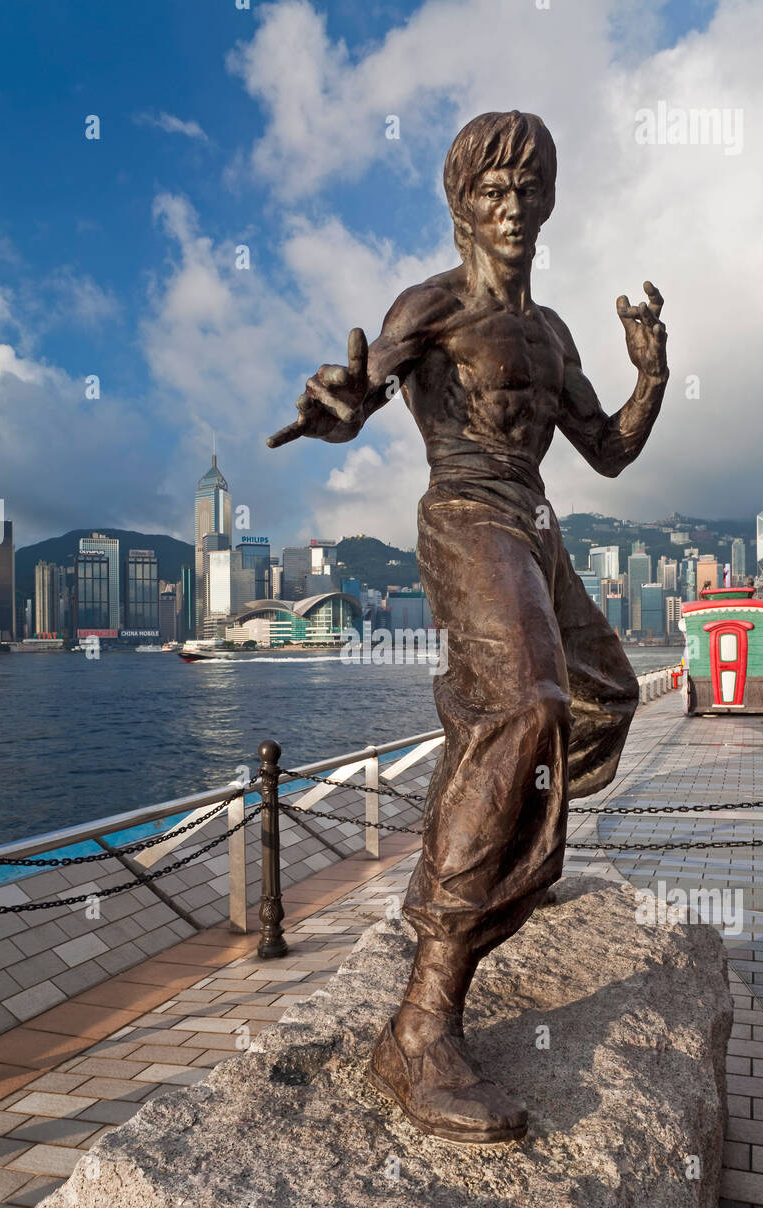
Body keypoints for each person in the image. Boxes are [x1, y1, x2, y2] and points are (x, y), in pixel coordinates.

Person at [268, 111, 668, 1143]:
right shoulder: (431, 305)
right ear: (460, 210)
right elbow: (360, 393)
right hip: (465, 515)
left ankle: (494, 844)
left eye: (528, 192)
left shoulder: (552, 334)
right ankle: (422, 1021)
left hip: (535, 523)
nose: (513, 210)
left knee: (602, 703)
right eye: (492, 194)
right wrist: (336, 404)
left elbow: (607, 454)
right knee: (526, 708)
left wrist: (650, 372)